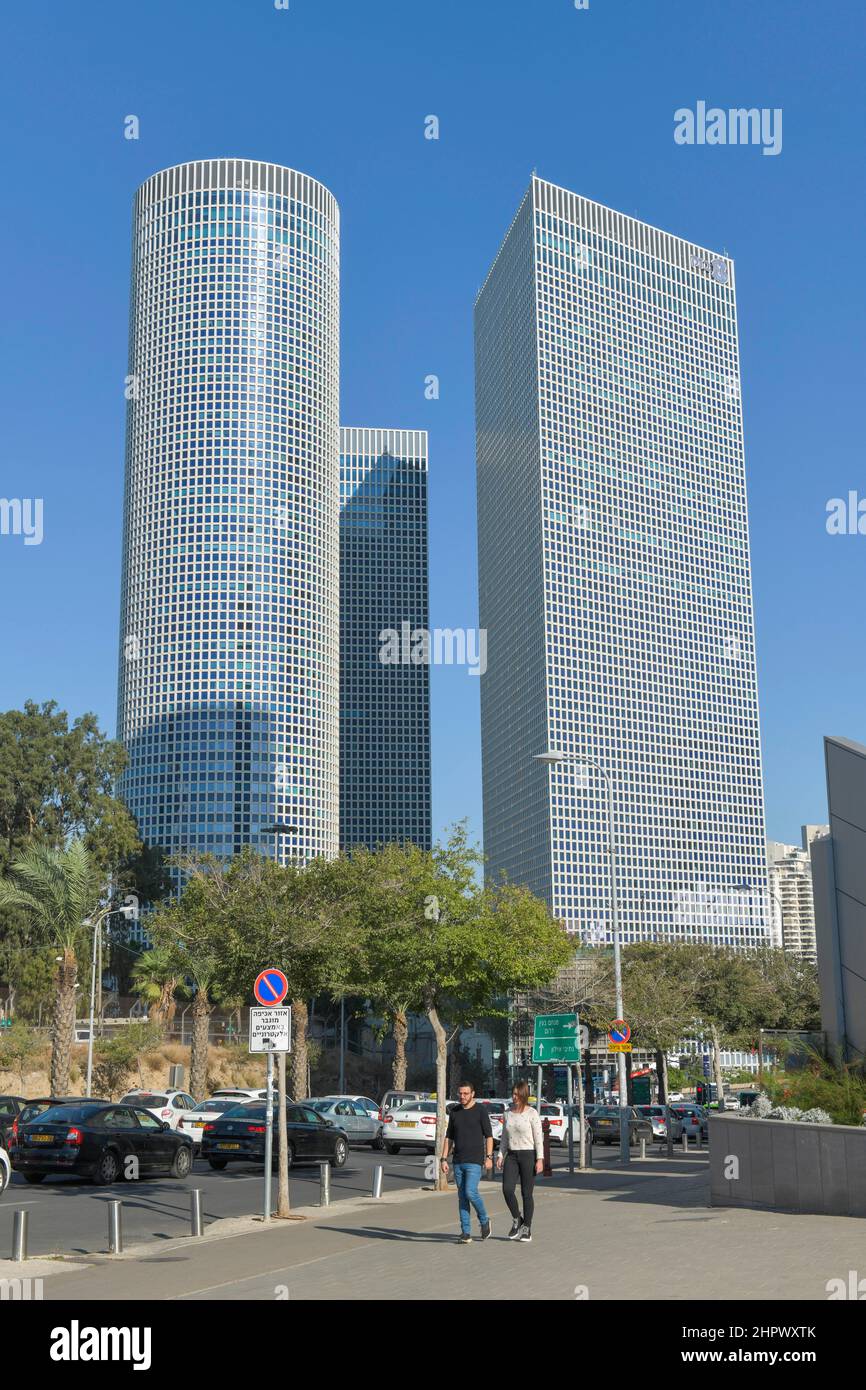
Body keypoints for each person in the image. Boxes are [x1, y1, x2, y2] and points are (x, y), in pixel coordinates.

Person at [441, 1083, 494, 1244]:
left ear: (473, 1094)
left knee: (471, 1192)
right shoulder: (455, 1112)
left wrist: (489, 1157)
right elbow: (449, 1137)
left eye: (466, 1093)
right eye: (460, 1093)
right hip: (458, 1161)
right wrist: (444, 1159)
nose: (462, 1096)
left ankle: (484, 1220)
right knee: (462, 1197)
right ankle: (465, 1232)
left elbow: (489, 1136)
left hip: (475, 1161)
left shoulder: (480, 1111)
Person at [496, 1080, 544, 1242]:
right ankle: (517, 1218)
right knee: (507, 1189)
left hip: (528, 1155)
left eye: (517, 1094)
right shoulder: (507, 1113)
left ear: (524, 1095)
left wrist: (540, 1159)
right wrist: (501, 1155)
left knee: (526, 1193)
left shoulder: (531, 1113)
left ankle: (527, 1228)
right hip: (512, 1155)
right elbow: (504, 1137)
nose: (514, 1097)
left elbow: (539, 1138)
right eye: (513, 1093)